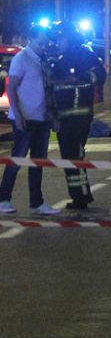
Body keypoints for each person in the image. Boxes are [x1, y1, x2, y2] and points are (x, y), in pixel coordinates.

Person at [0, 25, 61, 216]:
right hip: (26, 119)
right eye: (40, 42)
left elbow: (47, 89)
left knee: (38, 161)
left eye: (45, 43)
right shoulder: (21, 59)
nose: (43, 46)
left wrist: (51, 115)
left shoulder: (41, 61)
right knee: (17, 160)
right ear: (30, 39)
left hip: (41, 119)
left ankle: (37, 202)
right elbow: (11, 89)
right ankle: (3, 199)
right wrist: (18, 116)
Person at [47, 21, 107, 210]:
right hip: (65, 116)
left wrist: (81, 77)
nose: (59, 42)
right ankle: (79, 195)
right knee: (71, 158)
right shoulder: (61, 58)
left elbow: (100, 75)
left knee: (74, 156)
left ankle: (81, 198)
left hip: (78, 116)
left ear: (69, 37)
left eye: (61, 38)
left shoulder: (84, 55)